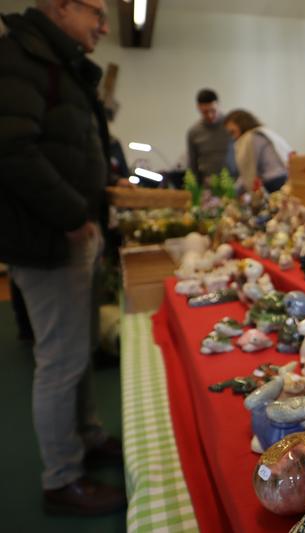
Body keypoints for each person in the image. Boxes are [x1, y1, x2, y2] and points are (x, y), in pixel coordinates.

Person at [0, 0, 126, 516]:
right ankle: (62, 478)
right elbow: (12, 151)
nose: (102, 23)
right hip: (50, 238)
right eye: (95, 10)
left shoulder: (54, 61)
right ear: (60, 6)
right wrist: (74, 214)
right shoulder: (21, 59)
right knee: (61, 361)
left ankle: (88, 438)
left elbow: (64, 142)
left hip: (70, 233)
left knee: (76, 350)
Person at [223, 109, 293, 193]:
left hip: (273, 182)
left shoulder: (248, 138)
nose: (233, 138)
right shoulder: (261, 132)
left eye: (232, 132)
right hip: (285, 176)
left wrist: (234, 192)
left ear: (241, 124)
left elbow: (247, 173)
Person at [187, 88, 237, 182]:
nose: (210, 115)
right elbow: (192, 164)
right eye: (205, 112)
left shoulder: (232, 126)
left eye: (213, 110)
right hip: (208, 185)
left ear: (218, 105)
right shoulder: (194, 132)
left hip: (233, 183)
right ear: (198, 108)